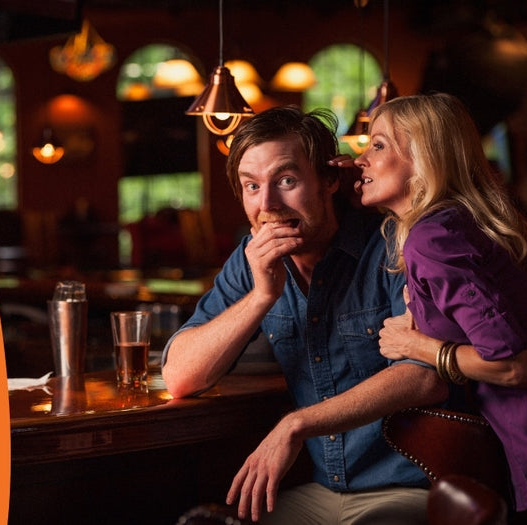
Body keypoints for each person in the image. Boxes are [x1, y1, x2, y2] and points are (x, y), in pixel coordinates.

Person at [161, 106, 449, 524]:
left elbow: (425, 375)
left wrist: (295, 425)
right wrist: (261, 295)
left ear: (330, 181)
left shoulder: (395, 243)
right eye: (251, 186)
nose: (267, 205)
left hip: (414, 487)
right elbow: (180, 376)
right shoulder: (250, 260)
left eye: (287, 181)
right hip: (325, 493)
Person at [352, 93, 527, 524]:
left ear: (424, 158)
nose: (361, 158)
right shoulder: (449, 225)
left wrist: (416, 346)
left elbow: (514, 366)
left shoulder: (432, 239)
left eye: (377, 145)